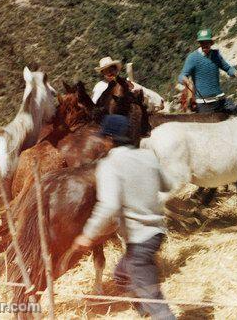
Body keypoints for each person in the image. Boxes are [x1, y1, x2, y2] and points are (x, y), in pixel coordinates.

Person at [74, 115, 175, 320]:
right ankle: (144, 310)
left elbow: (109, 205)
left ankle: (153, 311)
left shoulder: (109, 165)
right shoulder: (148, 156)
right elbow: (168, 185)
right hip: (156, 233)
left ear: (110, 139)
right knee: (122, 275)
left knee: (155, 301)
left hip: (140, 239)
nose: (102, 142)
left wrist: (88, 234)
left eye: (104, 138)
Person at [178, 28, 237, 113]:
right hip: (205, 103)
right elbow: (182, 75)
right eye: (202, 42)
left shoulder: (216, 54)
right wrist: (185, 80)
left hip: (221, 99)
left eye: (206, 42)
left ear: (211, 43)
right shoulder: (193, 57)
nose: (204, 44)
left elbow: (227, 68)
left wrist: (234, 72)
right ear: (199, 43)